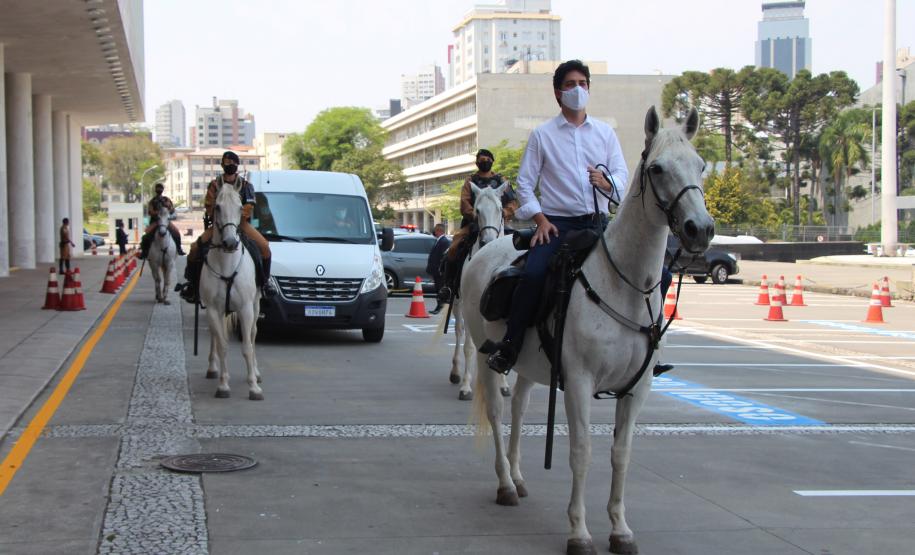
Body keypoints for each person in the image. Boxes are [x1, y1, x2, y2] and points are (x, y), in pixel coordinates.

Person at [486, 60, 629, 373]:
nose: (577, 89)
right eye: (570, 84)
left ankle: (645, 346)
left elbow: (622, 175)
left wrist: (607, 183)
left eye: (583, 83)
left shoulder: (605, 133)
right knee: (534, 274)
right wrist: (540, 220)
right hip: (557, 227)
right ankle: (510, 346)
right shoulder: (542, 135)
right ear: (557, 93)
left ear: (589, 88)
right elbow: (524, 183)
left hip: (598, 224)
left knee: (650, 274)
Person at [177, 151, 276, 302]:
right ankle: (192, 285)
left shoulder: (246, 185)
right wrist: (219, 217)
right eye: (226, 163)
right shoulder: (214, 185)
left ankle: (265, 282)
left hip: (241, 223)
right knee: (194, 249)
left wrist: (237, 216)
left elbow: (249, 205)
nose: (229, 165)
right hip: (219, 224)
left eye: (232, 163)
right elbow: (209, 205)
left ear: (237, 165)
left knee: (264, 247)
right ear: (222, 165)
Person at [438, 149, 518, 302]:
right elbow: (464, 201)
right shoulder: (470, 181)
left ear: (492, 161)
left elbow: (513, 202)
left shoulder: (502, 180)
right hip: (474, 223)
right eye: (482, 160)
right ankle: (448, 286)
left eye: (487, 159)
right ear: (477, 163)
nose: (485, 162)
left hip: (499, 222)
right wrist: (474, 214)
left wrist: (504, 212)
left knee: (518, 245)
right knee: (454, 246)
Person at [139, 183, 185, 259]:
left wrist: (167, 212)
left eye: (160, 188)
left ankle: (179, 249)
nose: (159, 190)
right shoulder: (152, 201)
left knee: (176, 232)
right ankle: (144, 252)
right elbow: (150, 212)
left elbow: (172, 209)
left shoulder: (167, 200)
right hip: (155, 221)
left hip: (166, 221)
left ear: (163, 190)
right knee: (145, 235)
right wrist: (158, 213)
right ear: (155, 190)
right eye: (158, 188)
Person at [426, 223, 451, 315]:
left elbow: (443, 258)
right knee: (438, 289)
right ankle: (439, 305)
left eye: (435, 230)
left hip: (439, 271)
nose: (434, 232)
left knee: (440, 289)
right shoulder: (439, 241)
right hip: (436, 271)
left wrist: (441, 270)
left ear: (439, 231)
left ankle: (440, 306)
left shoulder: (444, 242)